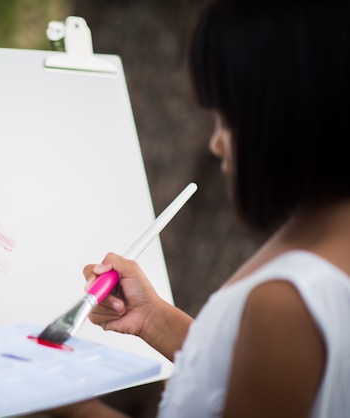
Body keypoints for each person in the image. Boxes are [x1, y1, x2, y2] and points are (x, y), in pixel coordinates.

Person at [50, 1, 350, 417]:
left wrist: (72, 410)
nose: (217, 142)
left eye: (228, 117)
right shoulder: (322, 232)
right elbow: (254, 369)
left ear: (289, 116)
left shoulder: (286, 301)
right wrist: (153, 319)